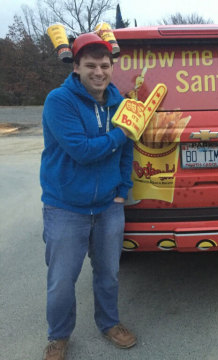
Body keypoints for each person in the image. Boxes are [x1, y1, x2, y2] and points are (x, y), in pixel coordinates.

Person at [40, 33, 136, 360]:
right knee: (62, 281)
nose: (99, 72)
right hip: (65, 208)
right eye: (91, 65)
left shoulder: (120, 103)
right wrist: (121, 132)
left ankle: (110, 324)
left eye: (105, 65)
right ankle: (59, 336)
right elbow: (82, 151)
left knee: (108, 273)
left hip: (109, 207)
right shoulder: (59, 101)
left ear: (112, 68)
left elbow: (127, 152)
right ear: (77, 67)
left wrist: (122, 191)